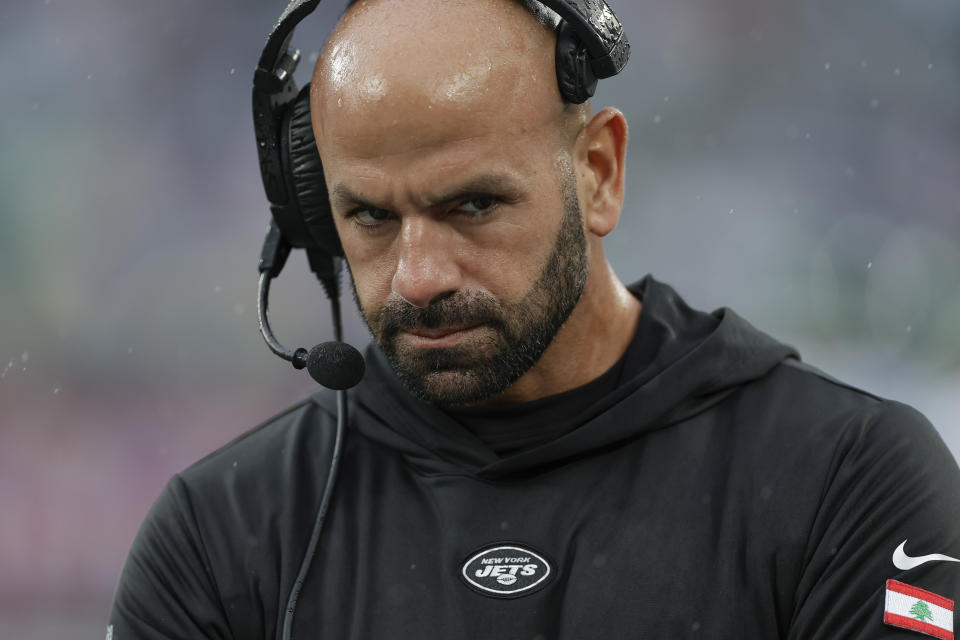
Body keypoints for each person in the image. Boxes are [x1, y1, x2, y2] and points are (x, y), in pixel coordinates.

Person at [109, 0, 960, 638]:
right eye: (369, 217)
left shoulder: (852, 483)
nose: (419, 276)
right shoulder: (217, 538)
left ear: (597, 172)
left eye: (473, 204)